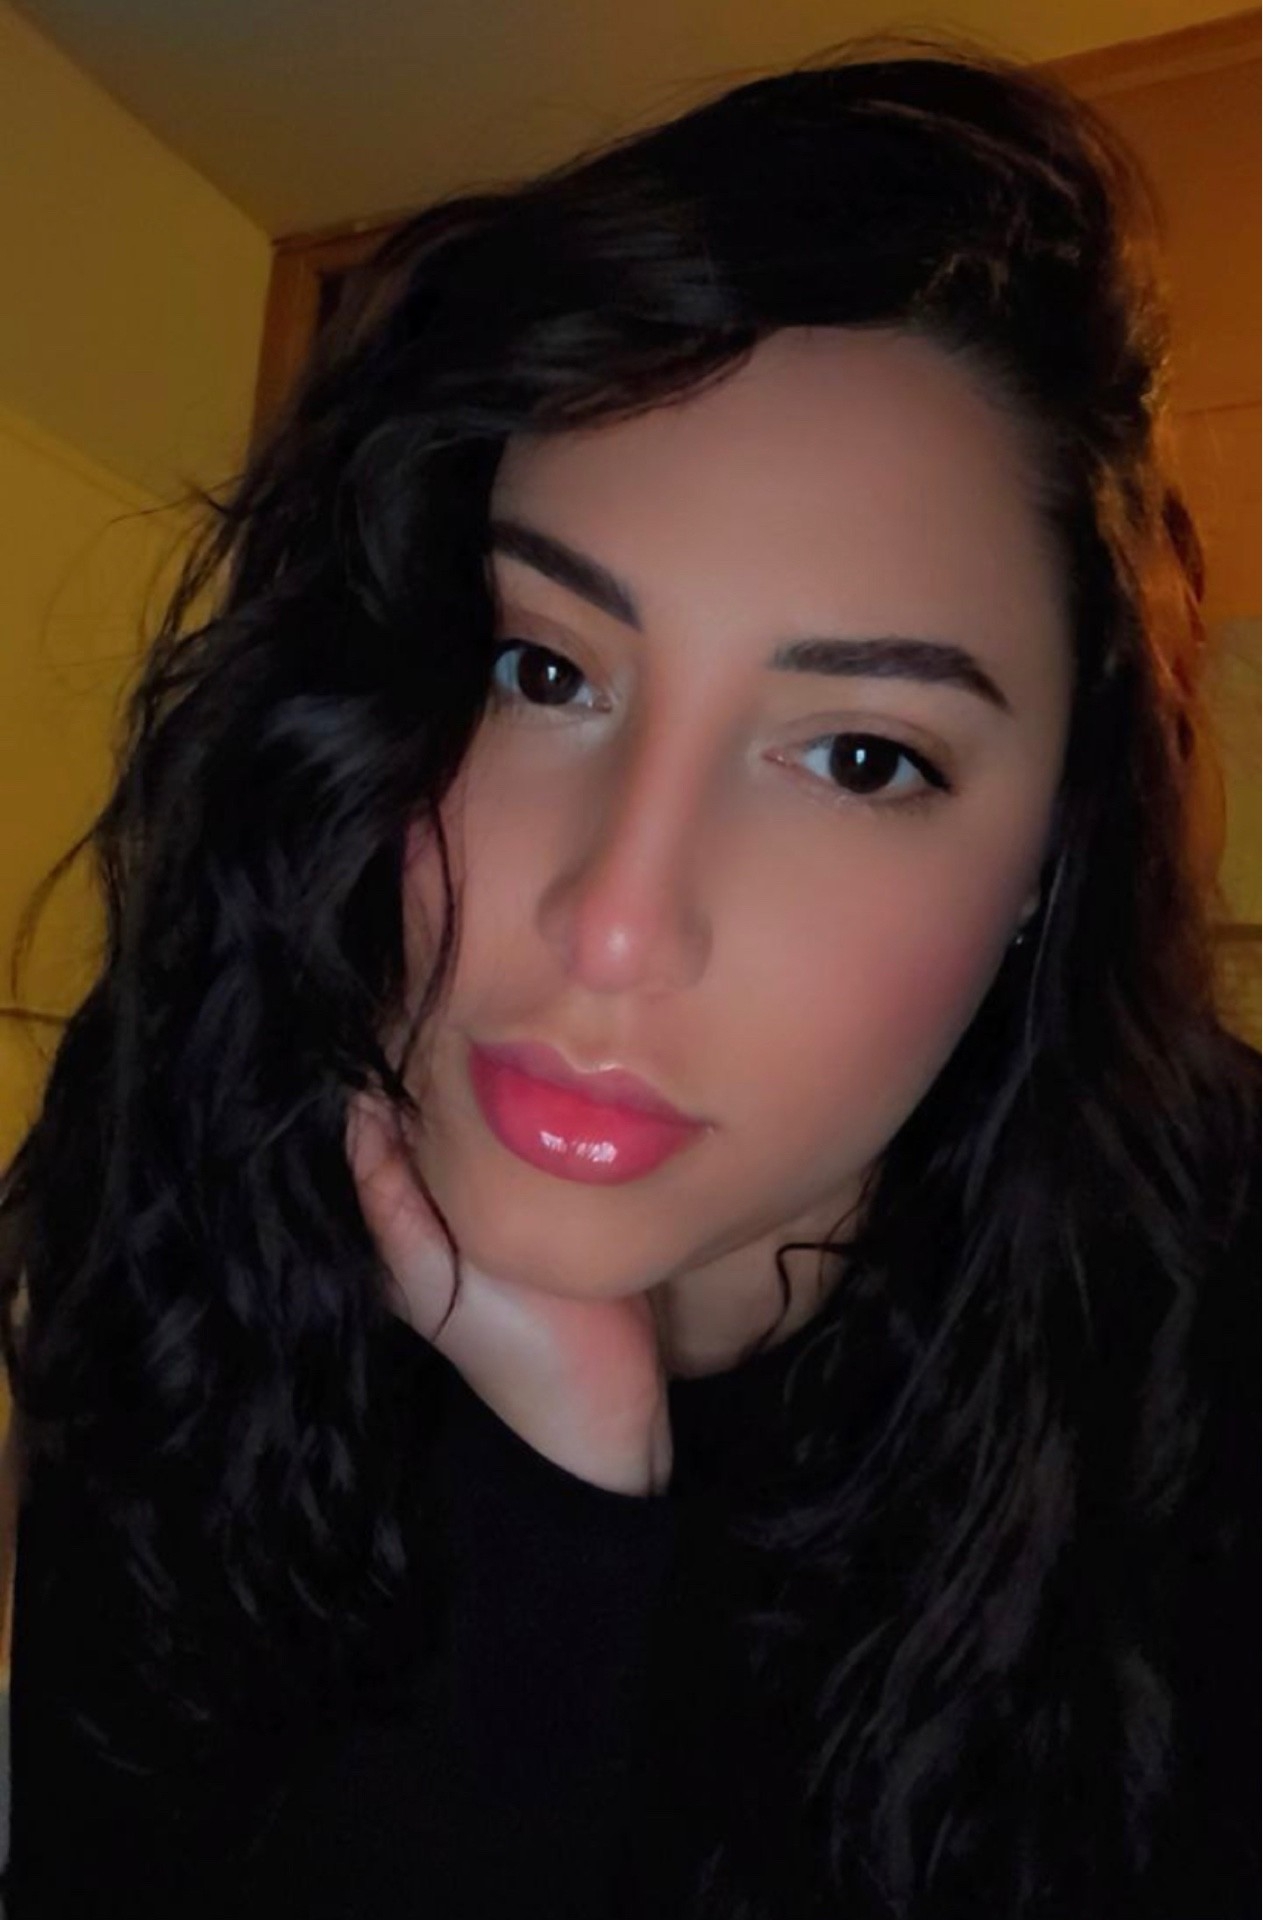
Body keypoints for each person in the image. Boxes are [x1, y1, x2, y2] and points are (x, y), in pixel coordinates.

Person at [0, 34, 1256, 1920]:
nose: (612, 926)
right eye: (546, 670)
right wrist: (548, 1510)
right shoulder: (188, 1130)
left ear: (1045, 874)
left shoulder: (1220, 1338)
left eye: (861, 758)